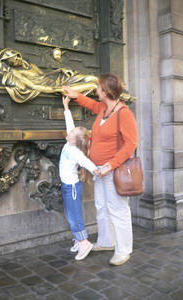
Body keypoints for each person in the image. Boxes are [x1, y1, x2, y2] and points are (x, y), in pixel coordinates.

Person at [63, 73, 138, 266]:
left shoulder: (124, 113)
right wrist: (75, 95)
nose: (96, 90)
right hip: (99, 169)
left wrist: (110, 165)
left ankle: (123, 250)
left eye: (98, 87)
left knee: (118, 209)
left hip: (113, 170)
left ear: (106, 91)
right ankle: (107, 242)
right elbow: (92, 105)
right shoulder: (104, 108)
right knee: (102, 207)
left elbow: (131, 145)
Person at [59, 96, 99, 260]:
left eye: (72, 133)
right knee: (69, 214)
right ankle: (78, 239)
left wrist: (96, 170)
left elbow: (86, 162)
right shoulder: (71, 142)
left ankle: (84, 242)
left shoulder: (75, 151)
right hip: (67, 185)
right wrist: (66, 106)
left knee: (74, 216)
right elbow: (70, 125)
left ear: (74, 140)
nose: (69, 132)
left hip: (72, 188)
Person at [0, 48, 98, 103]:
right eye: (13, 62)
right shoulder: (16, 72)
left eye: (17, 57)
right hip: (56, 87)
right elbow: (34, 86)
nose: (17, 61)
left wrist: (60, 70)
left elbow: (44, 75)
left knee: (95, 79)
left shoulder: (31, 65)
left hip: (58, 79)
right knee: (93, 86)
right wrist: (57, 89)